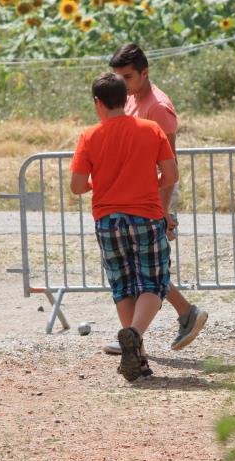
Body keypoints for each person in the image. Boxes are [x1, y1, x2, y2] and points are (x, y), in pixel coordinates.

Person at [69, 72, 178, 381]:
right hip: (145, 213)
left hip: (107, 219)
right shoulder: (151, 130)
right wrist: (147, 184)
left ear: (97, 103)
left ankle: (138, 357)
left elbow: (76, 186)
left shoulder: (89, 136)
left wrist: (97, 183)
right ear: (126, 98)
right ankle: (133, 334)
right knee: (153, 282)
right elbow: (171, 175)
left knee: (123, 284)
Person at [100, 43, 208, 356]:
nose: (121, 82)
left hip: (152, 198)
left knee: (147, 269)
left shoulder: (157, 107)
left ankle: (149, 330)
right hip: (138, 199)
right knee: (143, 268)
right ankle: (144, 333)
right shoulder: (131, 99)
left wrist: (161, 209)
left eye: (128, 76)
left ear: (145, 73)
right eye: (117, 77)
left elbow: (168, 164)